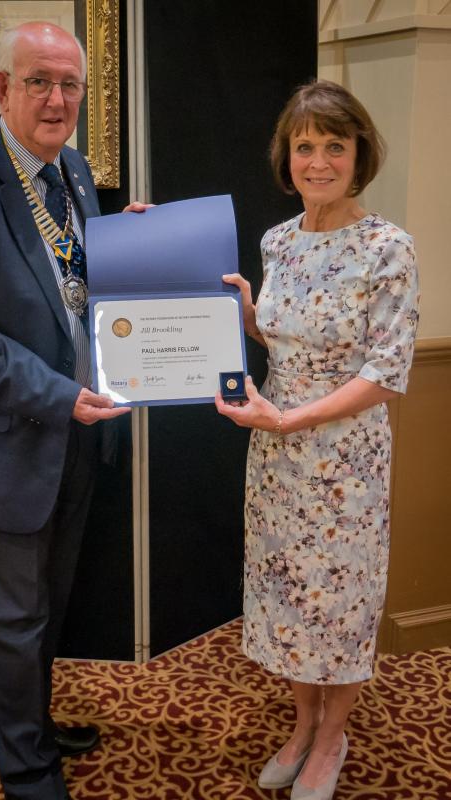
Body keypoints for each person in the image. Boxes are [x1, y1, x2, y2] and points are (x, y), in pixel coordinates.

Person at [0, 22, 149, 800]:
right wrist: (58, 397)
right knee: (12, 625)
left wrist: (138, 246)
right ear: (2, 89)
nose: (57, 99)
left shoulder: (72, 171)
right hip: (3, 450)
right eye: (39, 81)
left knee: (44, 609)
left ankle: (34, 730)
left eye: (70, 84)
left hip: (71, 442)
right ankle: (27, 773)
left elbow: (73, 287)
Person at [215, 80, 419, 800]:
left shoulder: (387, 248)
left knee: (340, 603)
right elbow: (289, 341)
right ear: (288, 156)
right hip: (276, 460)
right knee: (291, 599)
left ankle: (334, 734)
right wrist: (246, 315)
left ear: (360, 154)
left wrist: (288, 419)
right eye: (306, 146)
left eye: (336, 145)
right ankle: (302, 723)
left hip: (345, 462)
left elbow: (385, 373)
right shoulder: (278, 241)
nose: (320, 161)